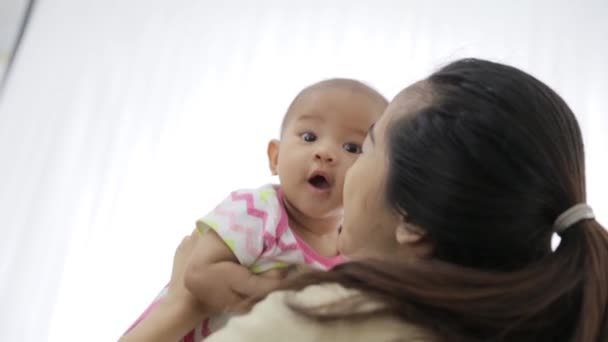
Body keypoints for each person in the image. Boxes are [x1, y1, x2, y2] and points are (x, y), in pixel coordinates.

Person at [121, 58, 608, 342]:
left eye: (365, 145)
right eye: (309, 136)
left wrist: (181, 306)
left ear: (413, 225)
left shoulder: (317, 322)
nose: (330, 157)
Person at [122, 78, 388, 341]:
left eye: (352, 147)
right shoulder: (258, 211)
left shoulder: (355, 253)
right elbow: (198, 273)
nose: (325, 152)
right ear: (275, 157)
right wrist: (265, 291)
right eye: (309, 137)